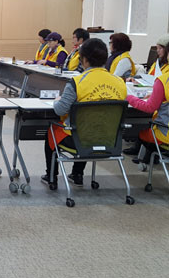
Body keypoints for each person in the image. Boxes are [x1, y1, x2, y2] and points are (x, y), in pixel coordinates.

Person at [41, 38, 127, 187]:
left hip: (79, 140)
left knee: (53, 131)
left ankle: (51, 176)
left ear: (84, 60)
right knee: (92, 124)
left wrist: (57, 100)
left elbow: (60, 109)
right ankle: (77, 174)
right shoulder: (120, 82)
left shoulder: (77, 82)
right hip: (110, 139)